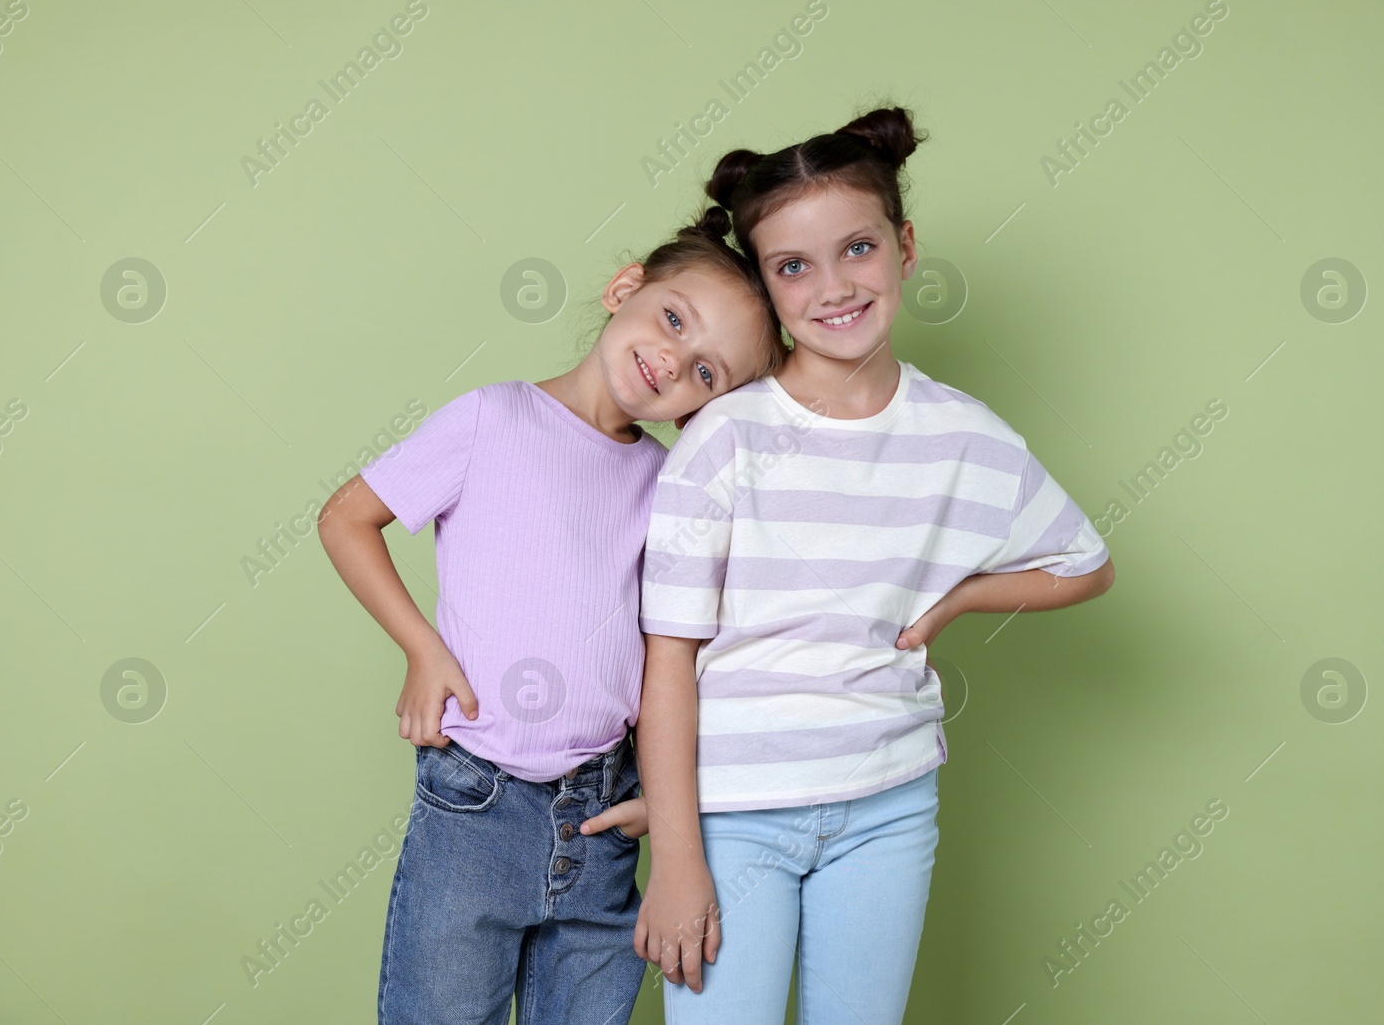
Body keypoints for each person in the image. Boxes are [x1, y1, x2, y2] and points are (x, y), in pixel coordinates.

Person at [631, 105, 1117, 1023]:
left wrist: (962, 598)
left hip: (890, 806)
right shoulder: (724, 439)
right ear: (767, 286)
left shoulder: (969, 439)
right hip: (732, 816)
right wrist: (681, 858)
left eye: (857, 249)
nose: (833, 287)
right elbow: (668, 666)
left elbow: (1086, 564)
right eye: (793, 266)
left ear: (904, 246)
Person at [316, 205, 786, 1025]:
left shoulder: (671, 482)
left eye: (707, 373)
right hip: (477, 801)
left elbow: (681, 654)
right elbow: (345, 517)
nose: (673, 360)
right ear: (624, 287)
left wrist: (672, 801)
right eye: (673, 319)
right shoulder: (494, 417)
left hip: (605, 814)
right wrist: (422, 648)